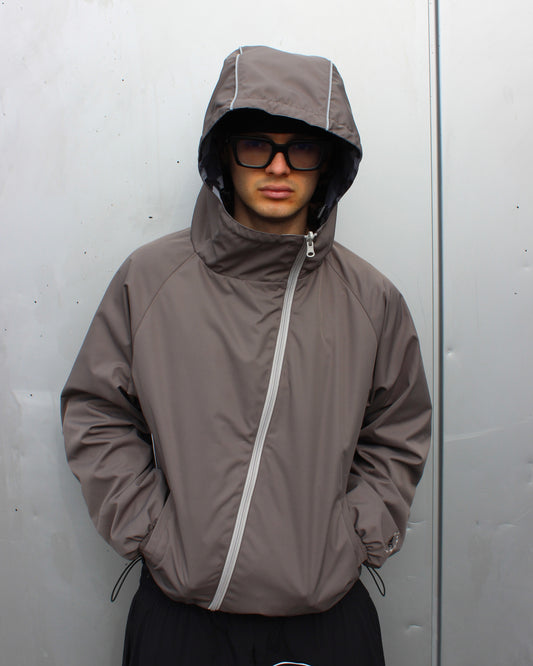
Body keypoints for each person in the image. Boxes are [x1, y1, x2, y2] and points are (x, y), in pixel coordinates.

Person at [61, 45, 432, 666]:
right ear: (224, 155)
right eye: (256, 144)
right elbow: (97, 411)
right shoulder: (151, 280)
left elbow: (398, 428)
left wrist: (357, 535)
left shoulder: (371, 300)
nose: (278, 167)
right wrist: (150, 530)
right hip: (182, 620)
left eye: (302, 147)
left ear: (328, 162)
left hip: (324, 623)